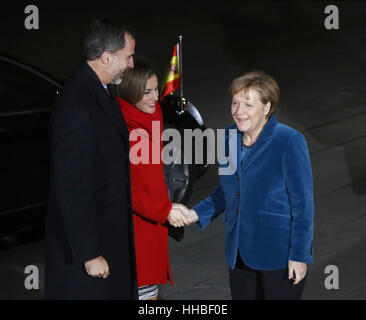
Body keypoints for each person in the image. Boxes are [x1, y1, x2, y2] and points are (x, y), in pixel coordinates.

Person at [176, 71, 314, 300]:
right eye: (235, 102)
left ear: (267, 107)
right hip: (239, 252)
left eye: (249, 105)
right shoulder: (229, 136)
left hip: (278, 255)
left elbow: (303, 206)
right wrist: (194, 214)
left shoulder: (289, 140)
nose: (239, 112)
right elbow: (227, 190)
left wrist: (299, 255)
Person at [45, 18, 138, 299]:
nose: (131, 64)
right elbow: (71, 186)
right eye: (128, 57)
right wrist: (89, 253)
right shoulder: (77, 107)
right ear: (106, 57)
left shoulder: (99, 90)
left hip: (109, 234)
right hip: (89, 253)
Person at [115, 60, 188, 300]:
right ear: (130, 92)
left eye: (156, 89)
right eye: (147, 92)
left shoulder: (151, 117)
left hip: (153, 227)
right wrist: (164, 210)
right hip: (134, 234)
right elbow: (125, 190)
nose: (155, 97)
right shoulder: (121, 130)